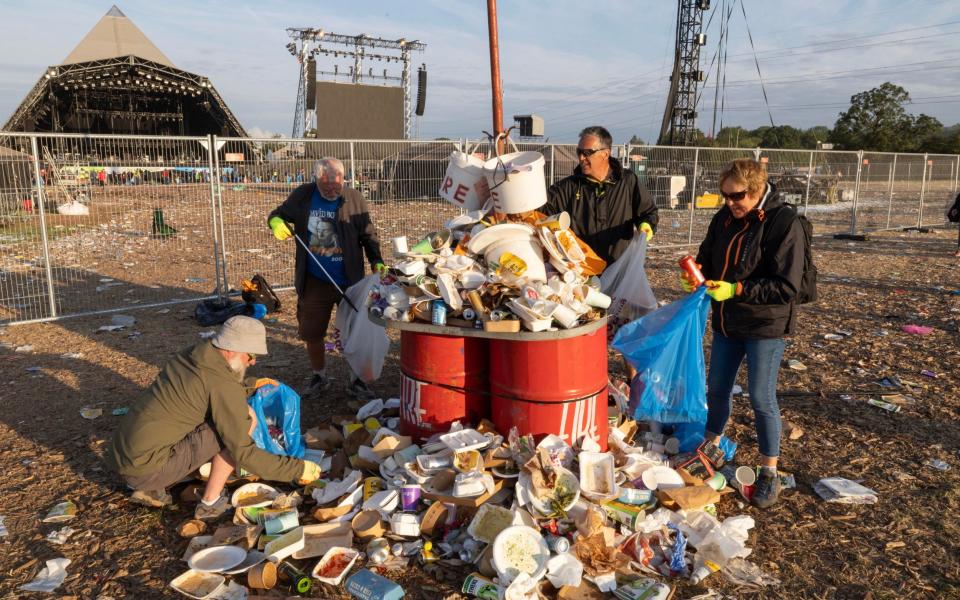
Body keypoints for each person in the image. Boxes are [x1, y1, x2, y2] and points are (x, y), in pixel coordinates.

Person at [680, 158, 805, 509]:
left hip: (765, 325)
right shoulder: (723, 218)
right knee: (717, 388)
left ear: (756, 190)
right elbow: (707, 257)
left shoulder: (784, 222)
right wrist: (697, 274)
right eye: (724, 196)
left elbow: (786, 286)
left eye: (736, 197)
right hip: (727, 322)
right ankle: (709, 450)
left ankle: (769, 472)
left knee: (761, 397)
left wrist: (735, 290)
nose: (730, 204)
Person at [107, 316, 321, 519]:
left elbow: (211, 386)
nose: (253, 362)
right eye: (251, 355)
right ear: (230, 350)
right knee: (242, 423)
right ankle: (211, 502)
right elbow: (243, 451)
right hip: (146, 469)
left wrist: (250, 384)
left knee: (226, 417)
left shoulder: (192, 356)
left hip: (123, 454)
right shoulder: (222, 384)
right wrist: (298, 469)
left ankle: (151, 488)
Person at [268, 157, 385, 399]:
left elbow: (368, 234)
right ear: (315, 180)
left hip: (350, 280)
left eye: (336, 184)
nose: (331, 189)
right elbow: (278, 214)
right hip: (314, 280)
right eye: (325, 186)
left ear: (343, 178)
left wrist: (377, 260)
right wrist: (276, 222)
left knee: (356, 331)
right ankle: (319, 376)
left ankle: (357, 380)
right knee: (312, 332)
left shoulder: (354, 199)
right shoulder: (303, 196)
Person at [543, 125, 658, 264]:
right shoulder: (568, 187)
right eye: (579, 152)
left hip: (618, 268)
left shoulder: (627, 182)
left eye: (587, 152)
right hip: (583, 272)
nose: (581, 157)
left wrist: (646, 225)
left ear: (605, 153)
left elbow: (648, 212)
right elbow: (541, 206)